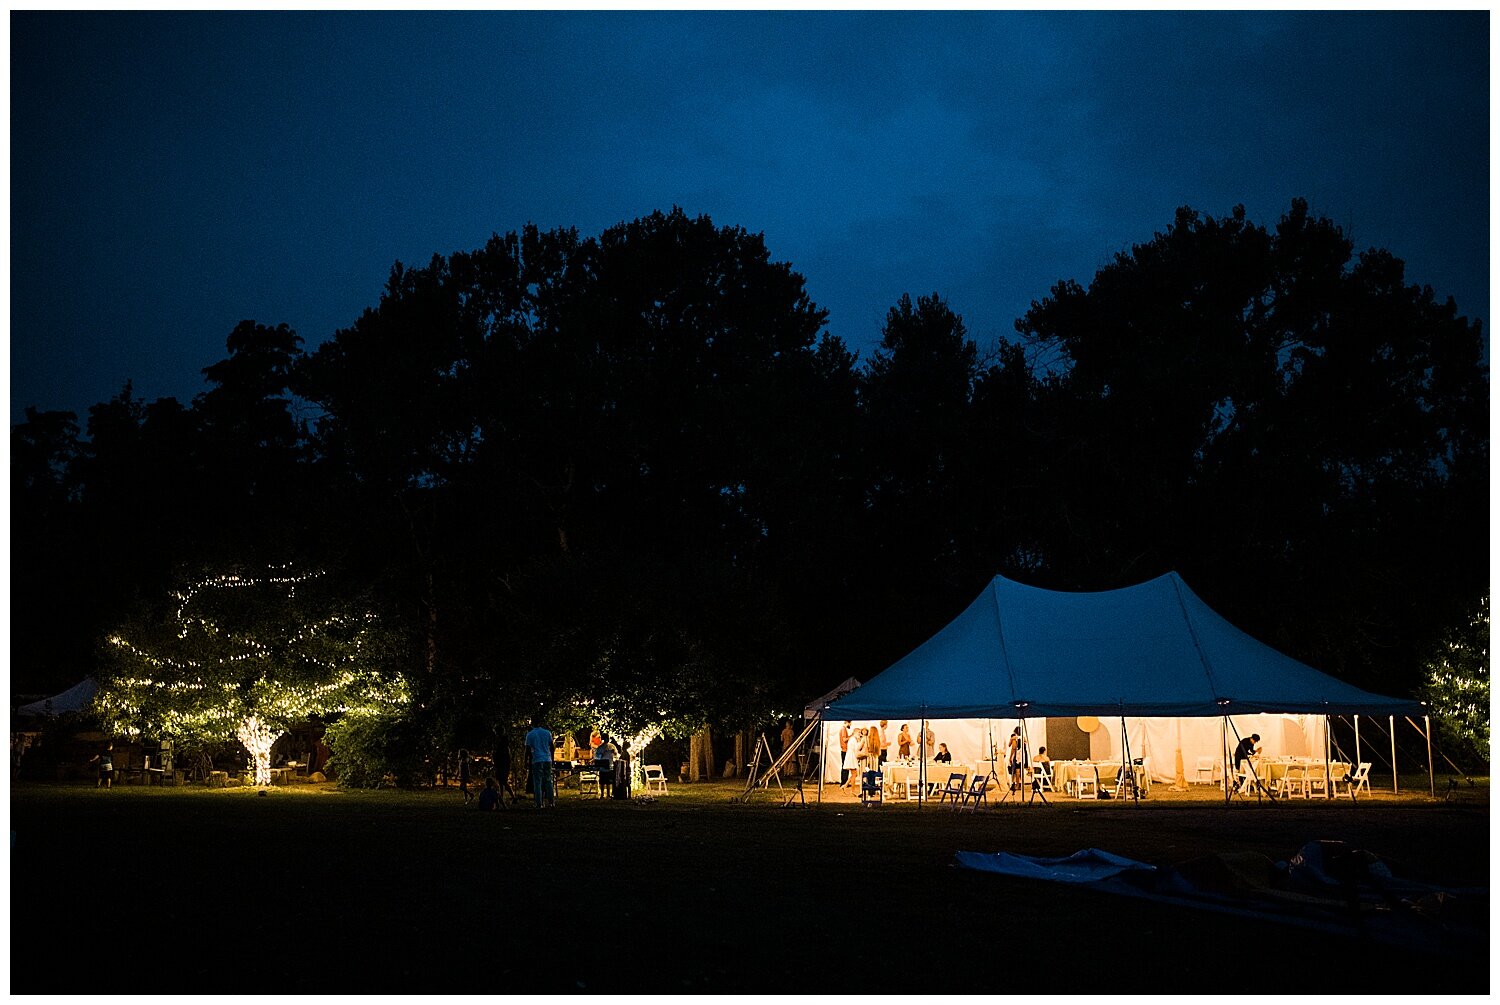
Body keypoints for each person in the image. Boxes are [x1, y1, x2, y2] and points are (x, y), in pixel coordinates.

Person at [524, 718, 556, 809]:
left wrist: (525, 762)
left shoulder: (530, 734)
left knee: (537, 782)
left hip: (537, 759)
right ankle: (551, 802)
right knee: (548, 781)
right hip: (547, 759)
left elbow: (527, 750)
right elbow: (552, 747)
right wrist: (552, 759)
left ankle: (539, 803)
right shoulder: (547, 733)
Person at [838, 721, 852, 786]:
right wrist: (851, 736)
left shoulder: (843, 729)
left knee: (845, 766)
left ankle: (844, 781)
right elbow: (844, 740)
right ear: (847, 722)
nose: (851, 724)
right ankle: (844, 782)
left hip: (844, 750)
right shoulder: (843, 729)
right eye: (850, 723)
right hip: (844, 750)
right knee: (845, 766)